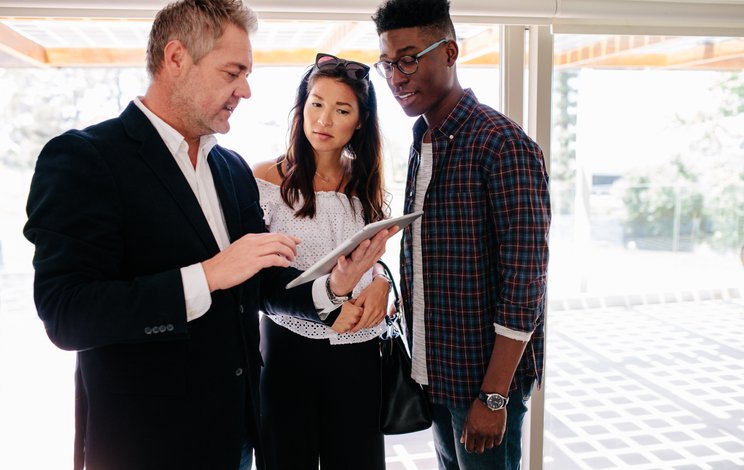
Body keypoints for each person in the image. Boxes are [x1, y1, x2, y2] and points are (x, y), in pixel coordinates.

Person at [23, 1, 394, 469]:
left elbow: (264, 283)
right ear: (176, 59)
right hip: (144, 445)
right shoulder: (85, 159)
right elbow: (66, 314)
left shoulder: (230, 168)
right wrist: (208, 275)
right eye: (233, 72)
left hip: (237, 439)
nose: (247, 90)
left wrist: (335, 287)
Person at [371, 1, 552, 469]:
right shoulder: (422, 142)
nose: (396, 77)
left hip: (483, 385)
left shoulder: (502, 144)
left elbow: (525, 283)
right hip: (436, 375)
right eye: (387, 63)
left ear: (449, 52)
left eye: (409, 59)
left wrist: (493, 398)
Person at [251, 53, 390, 470]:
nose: (324, 120)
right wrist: (331, 298)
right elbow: (258, 280)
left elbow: (374, 255)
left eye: (341, 110)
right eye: (316, 103)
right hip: (289, 352)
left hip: (359, 354)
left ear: (360, 121)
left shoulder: (366, 182)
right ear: (301, 106)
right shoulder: (264, 179)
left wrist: (382, 282)